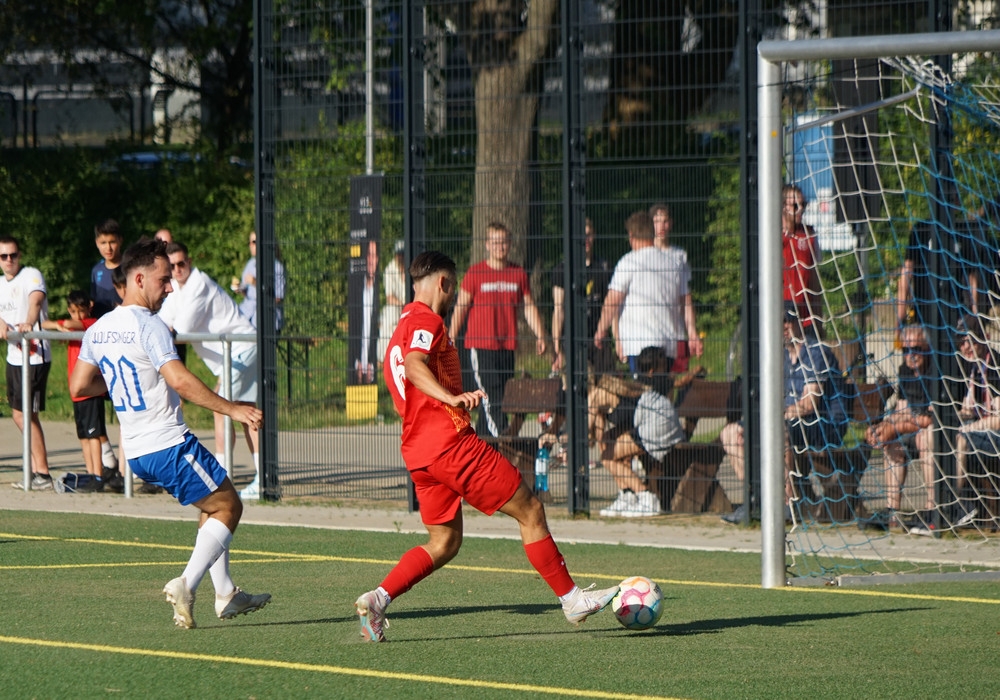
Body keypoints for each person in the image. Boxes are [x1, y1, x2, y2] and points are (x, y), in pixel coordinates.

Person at [355, 250, 617, 642]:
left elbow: (405, 373)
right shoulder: (427, 319)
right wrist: (452, 398)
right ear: (443, 282)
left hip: (419, 453)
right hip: (450, 446)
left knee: (444, 542)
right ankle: (571, 599)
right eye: (454, 287)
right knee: (530, 509)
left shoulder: (401, 324)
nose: (454, 295)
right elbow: (414, 365)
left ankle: (377, 598)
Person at [70, 238, 271, 629]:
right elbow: (179, 381)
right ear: (140, 278)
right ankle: (187, 585)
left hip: (139, 451)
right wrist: (235, 409)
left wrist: (122, 385)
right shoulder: (150, 325)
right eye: (163, 280)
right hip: (168, 443)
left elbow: (79, 386)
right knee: (229, 506)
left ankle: (227, 593)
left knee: (212, 503)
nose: (169, 287)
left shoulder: (101, 328)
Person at [158, 242, 262, 500]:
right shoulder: (177, 290)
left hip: (242, 348)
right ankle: (262, 476)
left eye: (182, 263)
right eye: (172, 266)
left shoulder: (199, 284)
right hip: (235, 354)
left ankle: (223, 481)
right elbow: (162, 322)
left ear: (189, 261)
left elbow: (180, 328)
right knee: (248, 412)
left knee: (221, 408)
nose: (178, 269)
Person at [449, 222, 547, 437]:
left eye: (503, 242)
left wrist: (541, 335)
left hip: (507, 347)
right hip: (481, 346)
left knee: (500, 398)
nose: (499, 246)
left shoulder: (518, 274)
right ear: (487, 245)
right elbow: (461, 307)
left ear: (510, 244)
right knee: (490, 395)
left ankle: (482, 449)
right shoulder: (475, 273)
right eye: (494, 242)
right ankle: (503, 442)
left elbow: (529, 307)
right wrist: (451, 336)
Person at [594, 211, 702, 378]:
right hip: (667, 346)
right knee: (663, 392)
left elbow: (612, 301)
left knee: (643, 393)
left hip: (638, 345)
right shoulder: (673, 263)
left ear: (631, 235)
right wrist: (693, 334)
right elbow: (686, 302)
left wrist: (601, 330)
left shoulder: (628, 262)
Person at [863, 325, 938, 532]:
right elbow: (901, 409)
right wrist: (882, 427)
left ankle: (932, 509)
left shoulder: (937, 370)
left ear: (927, 348)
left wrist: (896, 427)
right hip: (913, 430)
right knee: (891, 443)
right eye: (906, 350)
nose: (910, 355)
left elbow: (931, 419)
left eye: (916, 349)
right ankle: (892, 512)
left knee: (925, 437)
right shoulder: (905, 371)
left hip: (939, 433)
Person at [783, 305, 853, 518]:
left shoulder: (815, 352)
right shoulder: (781, 355)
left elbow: (808, 405)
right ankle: (760, 498)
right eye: (778, 322)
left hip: (827, 424)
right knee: (733, 433)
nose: (783, 327)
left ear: (799, 323)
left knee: (780, 431)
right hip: (795, 423)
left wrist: (778, 414)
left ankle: (787, 502)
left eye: (787, 320)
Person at [598, 346, 684, 518]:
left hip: (655, 430)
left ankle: (645, 497)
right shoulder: (655, 382)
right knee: (608, 443)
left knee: (608, 457)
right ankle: (627, 495)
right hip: (655, 427)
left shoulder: (644, 384)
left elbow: (632, 418)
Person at [41, 290, 111, 492]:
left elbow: (75, 325)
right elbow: (45, 324)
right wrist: (57, 325)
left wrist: (62, 324)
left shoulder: (91, 324)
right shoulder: (68, 327)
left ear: (89, 307)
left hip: (90, 389)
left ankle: (98, 475)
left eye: (80, 311)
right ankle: (90, 474)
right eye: (73, 312)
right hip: (77, 391)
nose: (77, 316)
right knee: (83, 435)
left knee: (94, 434)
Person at [0, 235, 53, 489]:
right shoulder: (0, 284)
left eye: (13, 255)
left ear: (19, 256)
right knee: (19, 414)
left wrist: (29, 322)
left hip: (34, 354)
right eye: (4, 256)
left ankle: (42, 473)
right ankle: (35, 470)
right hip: (14, 356)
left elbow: (35, 301)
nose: (9, 260)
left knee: (26, 415)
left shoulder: (30, 275)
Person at [550, 217, 613, 377]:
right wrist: (556, 345)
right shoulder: (562, 270)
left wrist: (616, 339)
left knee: (605, 386)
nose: (585, 239)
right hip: (571, 340)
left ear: (594, 236)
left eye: (588, 235)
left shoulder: (604, 268)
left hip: (598, 339)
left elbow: (611, 307)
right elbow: (558, 310)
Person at [953, 315, 1000, 529]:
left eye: (970, 340)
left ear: (985, 338)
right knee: (942, 438)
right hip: (982, 433)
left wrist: (969, 427)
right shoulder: (972, 369)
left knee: (962, 440)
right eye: (961, 343)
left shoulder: (995, 366)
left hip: (995, 434)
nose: (965, 347)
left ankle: (958, 504)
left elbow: (998, 421)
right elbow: (967, 409)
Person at [648, 203, 701, 372]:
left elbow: (685, 298)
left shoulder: (679, 256)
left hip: (674, 332)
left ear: (670, 224)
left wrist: (692, 333)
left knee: (675, 385)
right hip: (651, 333)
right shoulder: (643, 255)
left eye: (665, 221)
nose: (661, 226)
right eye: (657, 221)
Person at [782, 185, 822, 332]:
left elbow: (814, 280)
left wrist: (819, 318)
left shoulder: (809, 234)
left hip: (806, 315)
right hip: (782, 313)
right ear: (782, 206)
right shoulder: (774, 236)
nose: (800, 209)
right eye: (795, 205)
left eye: (803, 205)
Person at [234, 231, 286, 332]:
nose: (250, 245)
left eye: (254, 242)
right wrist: (240, 289)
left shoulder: (277, 267)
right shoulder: (250, 264)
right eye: (250, 242)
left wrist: (256, 283)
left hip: (267, 321)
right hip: (246, 317)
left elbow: (279, 297)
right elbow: (248, 293)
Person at [348, 238, 379, 384]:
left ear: (378, 259)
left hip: (373, 357)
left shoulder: (379, 290)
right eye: (368, 255)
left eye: (374, 255)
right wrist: (357, 361)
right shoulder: (357, 290)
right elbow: (353, 326)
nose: (371, 260)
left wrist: (372, 362)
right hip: (358, 358)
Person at [377, 240, 406, 364]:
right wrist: (402, 305)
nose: (400, 257)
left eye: (402, 254)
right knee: (390, 319)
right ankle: (384, 358)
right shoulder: (389, 270)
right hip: (395, 308)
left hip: (409, 306)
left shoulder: (411, 268)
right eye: (398, 254)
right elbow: (389, 297)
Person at [91, 218, 125, 319]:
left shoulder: (130, 268)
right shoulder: (96, 271)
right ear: (97, 243)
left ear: (120, 240)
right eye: (103, 243)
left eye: (112, 242)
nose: (108, 248)